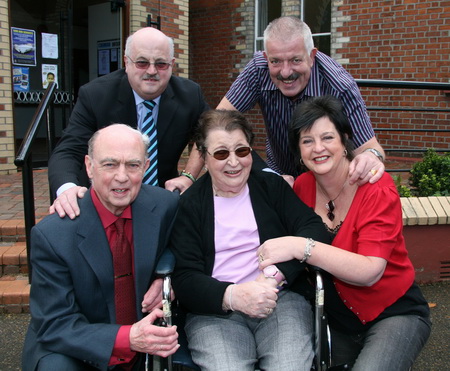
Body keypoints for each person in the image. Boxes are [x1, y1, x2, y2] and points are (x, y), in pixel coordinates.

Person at [257, 96, 431, 370]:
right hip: (336, 318)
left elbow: (369, 271)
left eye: (327, 137)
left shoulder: (376, 186)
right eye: (307, 141)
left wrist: (300, 246)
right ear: (297, 150)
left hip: (393, 312)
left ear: (345, 138)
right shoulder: (302, 187)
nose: (318, 149)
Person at [168, 110, 329, 371]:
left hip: (279, 299)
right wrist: (233, 296)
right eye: (221, 153)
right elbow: (185, 277)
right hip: (215, 311)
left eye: (242, 151)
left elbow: (313, 228)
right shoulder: (189, 205)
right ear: (205, 158)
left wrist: (273, 277)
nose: (234, 162)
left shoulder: (270, 186)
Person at [22, 124, 180, 371]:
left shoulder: (164, 206)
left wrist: (167, 279)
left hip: (146, 345)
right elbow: (55, 324)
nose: (122, 176)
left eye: (133, 165)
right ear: (89, 167)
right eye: (109, 164)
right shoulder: (53, 235)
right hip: (76, 347)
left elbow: (189, 252)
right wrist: (127, 338)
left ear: (146, 167)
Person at [48, 26, 209, 219]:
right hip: (106, 202)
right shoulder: (96, 95)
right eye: (142, 62)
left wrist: (189, 176)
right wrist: (68, 189)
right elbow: (68, 151)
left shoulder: (190, 96)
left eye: (161, 64)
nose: (151, 71)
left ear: (172, 64)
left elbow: (212, 136)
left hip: (162, 203)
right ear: (126, 62)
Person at [217, 16, 385, 186]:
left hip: (327, 183)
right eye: (275, 61)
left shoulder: (339, 85)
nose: (285, 72)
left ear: (312, 56)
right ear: (266, 57)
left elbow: (370, 148)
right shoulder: (258, 70)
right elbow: (216, 122)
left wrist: (371, 157)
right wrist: (189, 177)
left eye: (295, 60)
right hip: (279, 174)